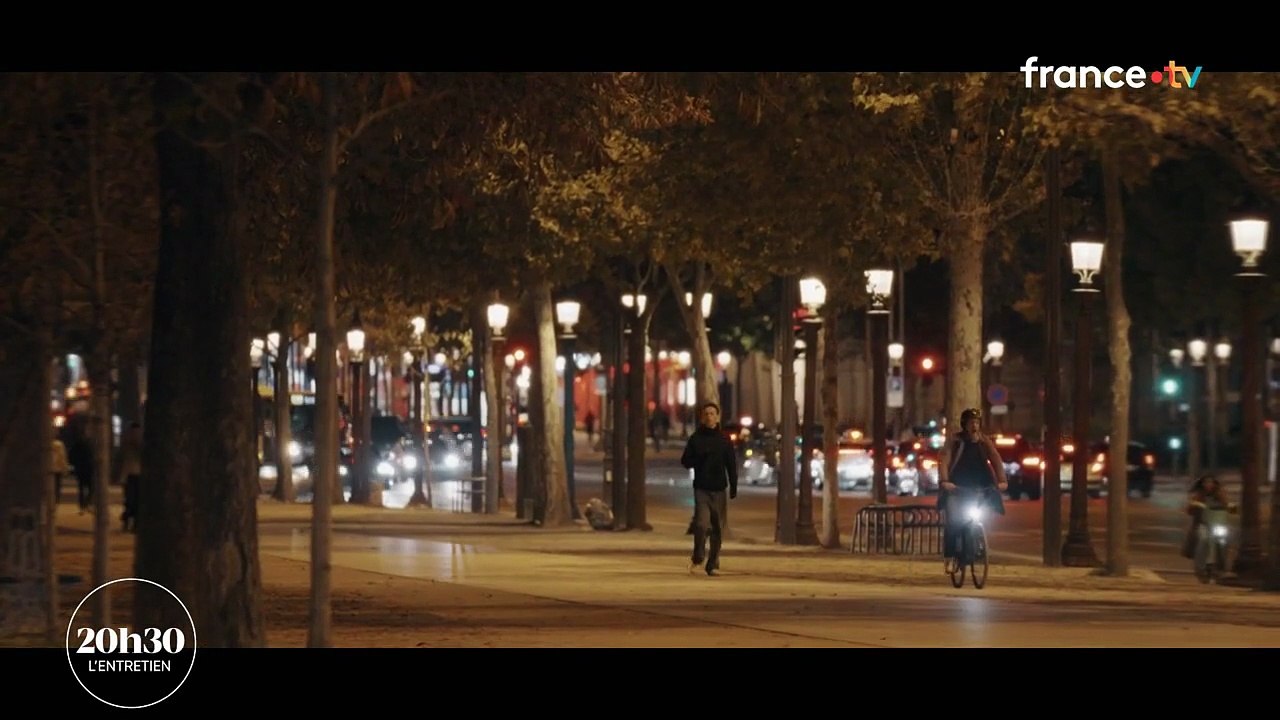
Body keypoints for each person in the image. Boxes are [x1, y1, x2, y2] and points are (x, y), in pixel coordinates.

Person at [937, 407, 1008, 572]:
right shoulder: (955, 441)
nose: (974, 426)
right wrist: (945, 481)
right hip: (957, 487)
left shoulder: (984, 442)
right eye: (971, 423)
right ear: (965, 424)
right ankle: (950, 557)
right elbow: (945, 460)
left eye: (977, 422)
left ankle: (977, 542)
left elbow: (996, 459)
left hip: (980, 487)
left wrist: (1002, 481)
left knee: (982, 515)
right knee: (954, 522)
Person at [680, 402, 737, 576]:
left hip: (719, 488)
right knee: (701, 524)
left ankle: (712, 564)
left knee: (717, 528)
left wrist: (733, 485)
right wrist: (699, 458)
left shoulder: (724, 440)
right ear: (702, 418)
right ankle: (698, 556)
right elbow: (685, 461)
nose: (709, 417)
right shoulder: (696, 439)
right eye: (706, 414)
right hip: (702, 488)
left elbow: (731, 464)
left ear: (717, 417)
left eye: (712, 413)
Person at [1181, 474, 1236, 559]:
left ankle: (1222, 558)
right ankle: (1199, 558)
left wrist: (1232, 508)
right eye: (1206, 482)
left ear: (1215, 484)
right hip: (1202, 523)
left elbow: (1227, 504)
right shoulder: (1198, 495)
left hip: (1217, 522)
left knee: (1224, 539)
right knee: (1203, 539)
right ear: (1202, 484)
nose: (1208, 484)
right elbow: (1190, 509)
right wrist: (1194, 506)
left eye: (1211, 482)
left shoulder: (1220, 495)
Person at [117, 422, 144, 532]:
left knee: (133, 501)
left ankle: (131, 523)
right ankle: (130, 522)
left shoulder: (128, 442)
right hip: (132, 474)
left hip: (133, 474)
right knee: (132, 501)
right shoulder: (128, 443)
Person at [50, 434, 71, 503]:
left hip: (50, 466)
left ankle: (51, 497)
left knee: (50, 484)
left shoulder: (48, 444)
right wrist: (65, 468)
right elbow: (62, 456)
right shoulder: (60, 445)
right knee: (57, 484)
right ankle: (57, 498)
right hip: (57, 467)